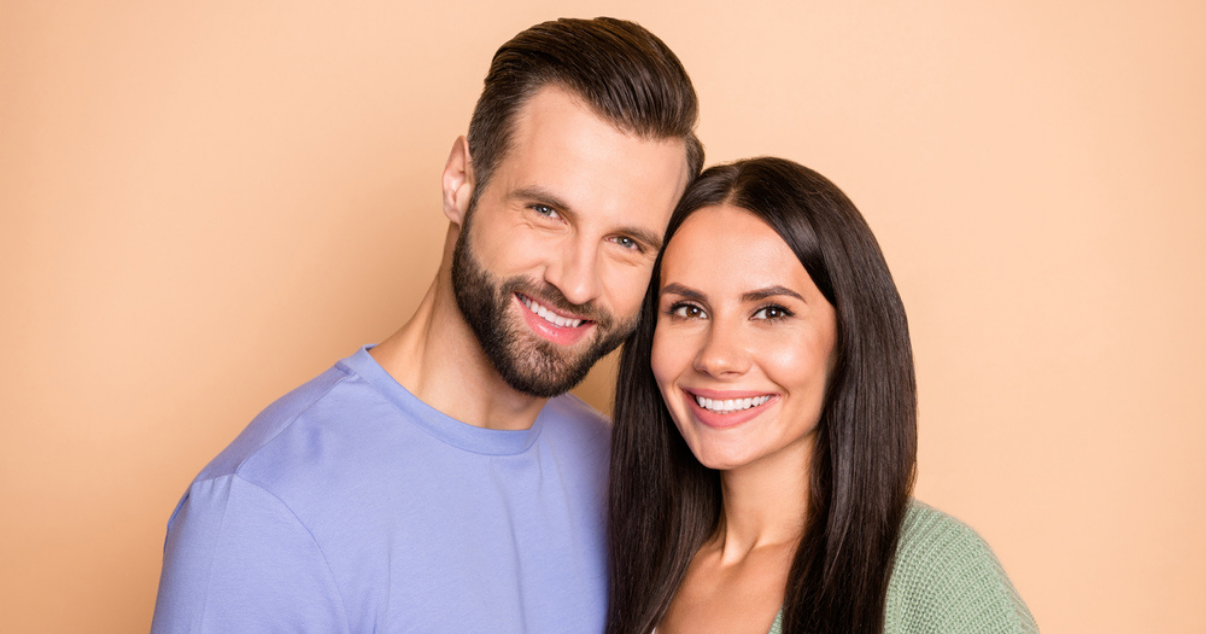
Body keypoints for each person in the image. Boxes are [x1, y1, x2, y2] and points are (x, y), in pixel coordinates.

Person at [151, 17, 703, 634]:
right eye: (546, 211)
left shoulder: (629, 474)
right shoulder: (263, 514)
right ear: (461, 183)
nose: (577, 283)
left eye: (626, 241)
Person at [607, 157, 1038, 634]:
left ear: (848, 337)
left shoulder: (933, 573)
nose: (717, 357)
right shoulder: (633, 561)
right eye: (687, 309)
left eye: (771, 313)